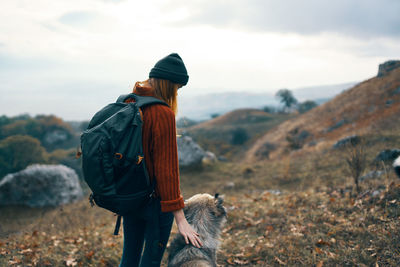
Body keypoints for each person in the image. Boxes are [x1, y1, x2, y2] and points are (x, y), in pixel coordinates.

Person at [119, 53, 203, 267]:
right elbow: (167, 171)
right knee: (150, 261)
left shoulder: (129, 101)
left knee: (129, 258)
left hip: (129, 196)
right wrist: (180, 218)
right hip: (154, 202)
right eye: (177, 88)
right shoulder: (162, 113)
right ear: (170, 85)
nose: (177, 93)